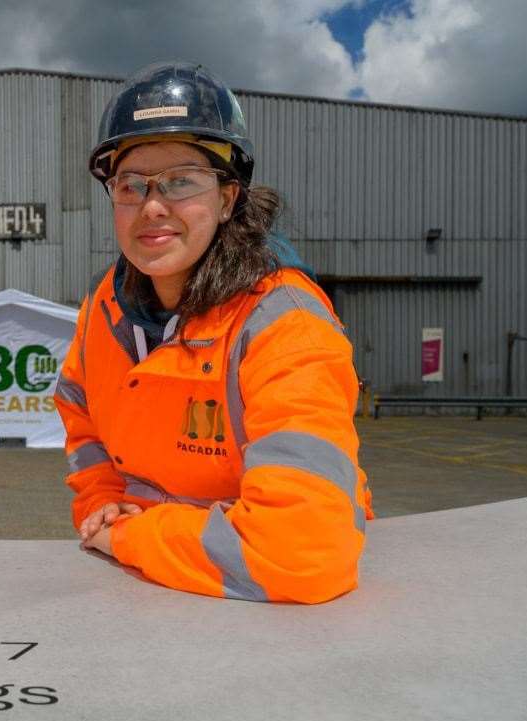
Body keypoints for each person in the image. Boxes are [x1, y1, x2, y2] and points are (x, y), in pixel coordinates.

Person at [54, 62, 373, 604]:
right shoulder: (104, 305)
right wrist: (102, 501)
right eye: (130, 185)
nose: (152, 205)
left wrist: (129, 534)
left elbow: (301, 553)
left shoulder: (285, 326)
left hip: (262, 613)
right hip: (149, 584)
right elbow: (81, 418)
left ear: (228, 198)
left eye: (181, 181)